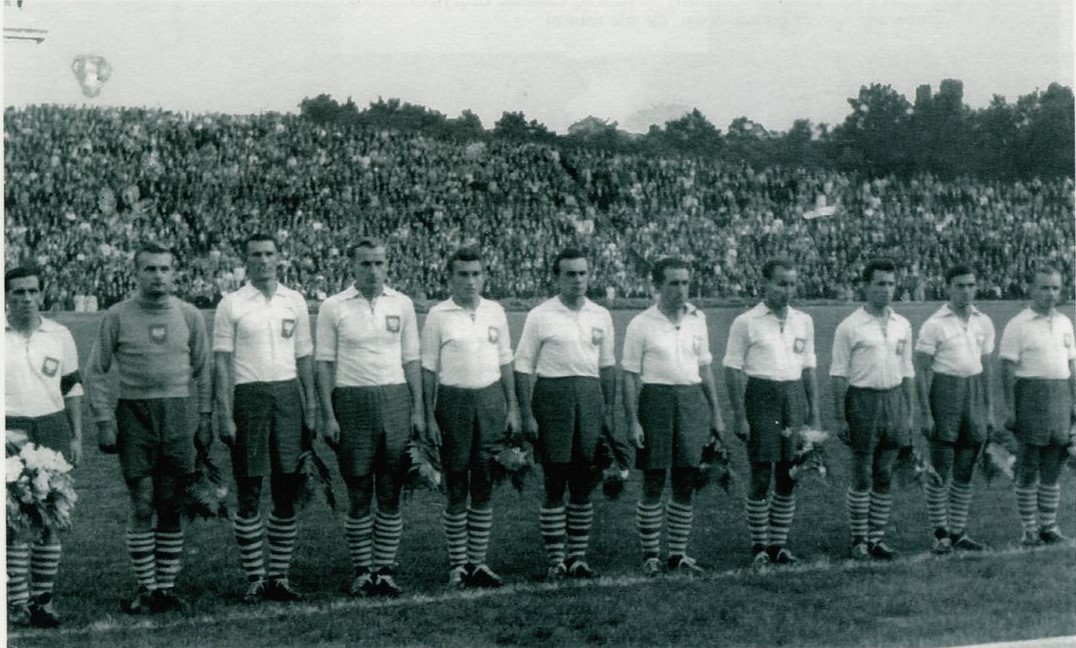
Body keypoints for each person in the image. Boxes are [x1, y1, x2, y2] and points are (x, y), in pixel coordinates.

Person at [86, 242, 213, 613]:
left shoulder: (189, 316)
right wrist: (103, 420)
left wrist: (204, 418)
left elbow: (204, 371)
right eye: (150, 269)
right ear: (136, 273)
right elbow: (96, 370)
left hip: (176, 412)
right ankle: (146, 586)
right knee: (142, 502)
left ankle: (165, 588)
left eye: (164, 269)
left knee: (172, 503)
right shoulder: (117, 315)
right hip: (134, 413)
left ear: (175, 274)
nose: (158, 276)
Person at [315, 238, 424, 598]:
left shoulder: (403, 304)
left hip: (394, 398)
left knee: (391, 487)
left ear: (387, 264)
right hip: (352, 401)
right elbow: (325, 364)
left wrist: (418, 410)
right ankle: (363, 570)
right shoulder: (334, 307)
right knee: (359, 488)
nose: (373, 270)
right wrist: (328, 414)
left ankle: (386, 569)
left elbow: (411, 360)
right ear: (352, 266)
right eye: (365, 264)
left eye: (379, 263)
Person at [213, 234, 316, 603]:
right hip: (249, 397)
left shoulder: (295, 301)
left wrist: (311, 406)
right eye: (256, 255)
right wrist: (225, 413)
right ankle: (256, 576)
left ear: (279, 258)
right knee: (250, 487)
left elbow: (304, 356)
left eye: (269, 254)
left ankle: (280, 576)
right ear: (246, 260)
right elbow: (222, 362)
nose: (263, 260)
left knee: (286, 486)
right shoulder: (232, 303)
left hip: (288, 397)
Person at [421, 247, 521, 589]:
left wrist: (513, 407)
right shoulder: (438, 315)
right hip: (453, 404)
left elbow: (506, 360)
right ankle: (457, 564)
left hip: (490, 402)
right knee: (456, 484)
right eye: (462, 274)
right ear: (449, 278)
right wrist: (428, 415)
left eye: (476, 274)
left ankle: (478, 562)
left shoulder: (496, 311)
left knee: (484, 482)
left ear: (484, 277)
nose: (470, 281)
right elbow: (428, 369)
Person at [514, 248, 616, 581]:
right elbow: (523, 365)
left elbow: (607, 366)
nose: (577, 280)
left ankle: (578, 557)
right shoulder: (540, 315)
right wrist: (527, 413)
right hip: (552, 399)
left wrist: (608, 411)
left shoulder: (600, 315)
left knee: (584, 481)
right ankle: (556, 558)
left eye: (582, 273)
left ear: (590, 276)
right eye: (569, 274)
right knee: (555, 481)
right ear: (557, 277)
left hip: (589, 400)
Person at [622, 257, 725, 577]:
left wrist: (716, 414)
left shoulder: (698, 319)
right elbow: (629, 375)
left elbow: (705, 368)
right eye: (673, 283)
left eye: (685, 282)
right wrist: (633, 421)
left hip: (691, 401)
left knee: (686, 480)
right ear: (657, 286)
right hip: (656, 402)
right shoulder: (641, 323)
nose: (681, 289)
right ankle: (651, 554)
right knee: (654, 480)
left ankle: (678, 553)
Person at [723, 258, 820, 567]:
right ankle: (759, 545)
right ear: (764, 283)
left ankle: (778, 544)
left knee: (790, 473)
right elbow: (732, 369)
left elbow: (808, 368)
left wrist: (814, 413)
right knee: (762, 473)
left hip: (792, 398)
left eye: (792, 284)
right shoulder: (747, 322)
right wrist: (740, 415)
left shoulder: (803, 320)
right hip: (761, 398)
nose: (787, 290)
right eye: (781, 283)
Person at [5, 267, 84, 628]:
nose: (25, 298)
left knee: (51, 517)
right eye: (17, 291)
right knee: (13, 521)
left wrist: (76, 435)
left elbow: (72, 388)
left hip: (52, 427)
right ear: (6, 295)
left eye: (32, 291)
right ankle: (16, 603)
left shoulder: (59, 335)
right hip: (9, 430)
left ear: (42, 294)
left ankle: (42, 599)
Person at [830, 258, 915, 560]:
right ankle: (859, 538)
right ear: (865, 287)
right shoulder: (850, 326)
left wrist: (909, 410)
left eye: (891, 284)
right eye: (880, 283)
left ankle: (876, 538)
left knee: (884, 472)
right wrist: (841, 417)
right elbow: (839, 373)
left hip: (893, 401)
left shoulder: (902, 324)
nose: (886, 290)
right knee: (863, 473)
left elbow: (907, 370)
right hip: (863, 401)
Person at [914, 264, 996, 554]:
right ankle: (940, 533)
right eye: (960, 285)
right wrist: (925, 412)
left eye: (971, 285)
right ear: (948, 288)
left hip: (973, 393)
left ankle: (958, 531)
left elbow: (986, 368)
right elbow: (922, 371)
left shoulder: (983, 321)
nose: (966, 291)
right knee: (941, 466)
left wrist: (989, 410)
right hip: (945, 393)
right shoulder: (935, 324)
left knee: (965, 468)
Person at [999, 264, 1076, 546]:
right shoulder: (1018, 324)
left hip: (1060, 397)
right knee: (1029, 465)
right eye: (1044, 287)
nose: (1050, 294)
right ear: (1032, 289)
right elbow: (1007, 368)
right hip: (1031, 395)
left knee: (1054, 464)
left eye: (1055, 288)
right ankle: (1029, 529)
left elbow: (1071, 365)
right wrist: (1010, 407)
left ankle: (1049, 526)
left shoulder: (1066, 323)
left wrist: (1074, 400)